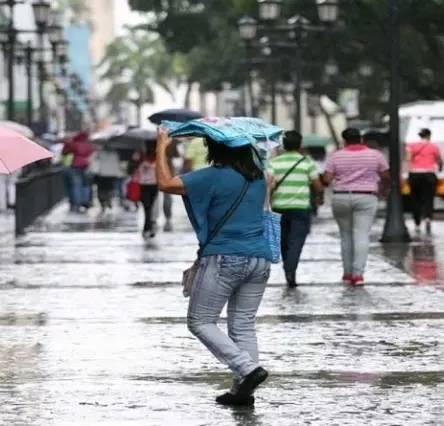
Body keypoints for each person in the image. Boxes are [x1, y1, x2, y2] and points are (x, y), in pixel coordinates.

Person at [156, 128, 271, 407]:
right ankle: (242, 393)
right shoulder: (259, 179)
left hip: (225, 258)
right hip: (260, 258)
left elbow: (166, 184)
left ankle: (247, 368)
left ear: (215, 150)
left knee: (200, 321)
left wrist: (161, 148)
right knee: (243, 325)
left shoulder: (213, 175)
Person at [323, 128, 390, 286]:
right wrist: (382, 189)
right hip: (366, 196)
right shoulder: (375, 155)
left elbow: (327, 179)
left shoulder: (336, 156)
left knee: (345, 236)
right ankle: (358, 274)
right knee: (361, 234)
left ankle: (347, 273)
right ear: (361, 139)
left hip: (341, 197)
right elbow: (386, 176)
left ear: (344, 140)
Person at [270, 131, 324, 288]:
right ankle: (290, 269)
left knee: (284, 240)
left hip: (279, 207)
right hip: (301, 207)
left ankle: (288, 266)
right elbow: (318, 185)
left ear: (283, 145)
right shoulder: (307, 162)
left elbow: (270, 186)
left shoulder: (275, 163)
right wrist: (320, 197)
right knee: (297, 240)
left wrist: (267, 203)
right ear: (300, 145)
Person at [406, 128, 443, 233]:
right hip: (429, 174)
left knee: (415, 198)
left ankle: (417, 222)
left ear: (420, 136)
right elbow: (439, 160)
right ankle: (427, 218)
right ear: (429, 136)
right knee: (429, 197)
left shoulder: (411, 146)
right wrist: (440, 168)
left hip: (415, 174)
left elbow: (408, 159)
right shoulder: (434, 147)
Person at [61, 131, 97, 212]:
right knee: (86, 185)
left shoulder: (74, 144)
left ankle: (76, 204)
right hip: (87, 167)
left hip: (75, 166)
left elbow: (64, 152)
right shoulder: (90, 145)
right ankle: (85, 201)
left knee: (76, 185)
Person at [134, 140, 159, 239]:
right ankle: (148, 227)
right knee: (148, 207)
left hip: (146, 185)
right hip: (148, 185)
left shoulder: (142, 157)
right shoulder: (142, 156)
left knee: (147, 207)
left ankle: (148, 228)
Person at [91, 146, 123, 213]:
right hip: (112, 174)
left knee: (101, 189)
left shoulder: (99, 153)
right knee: (110, 188)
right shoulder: (115, 154)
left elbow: (94, 161)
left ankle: (103, 202)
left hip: (102, 173)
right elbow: (118, 163)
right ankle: (108, 200)